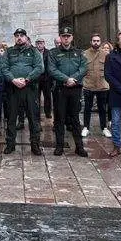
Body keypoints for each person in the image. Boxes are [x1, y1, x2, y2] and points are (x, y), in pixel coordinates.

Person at [47, 26, 89, 157]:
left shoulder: (79, 52)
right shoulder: (53, 53)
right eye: (63, 36)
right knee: (59, 119)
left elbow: (84, 68)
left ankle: (79, 147)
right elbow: (51, 69)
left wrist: (74, 79)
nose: (66, 38)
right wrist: (66, 79)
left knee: (75, 119)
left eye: (68, 36)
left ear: (72, 37)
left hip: (75, 89)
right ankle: (59, 146)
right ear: (60, 38)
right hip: (60, 89)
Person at [3, 28, 44, 155]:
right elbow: (4, 68)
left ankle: (35, 145)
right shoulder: (9, 51)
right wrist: (13, 80)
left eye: (21, 35)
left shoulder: (34, 51)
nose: (19, 37)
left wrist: (27, 79)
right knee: (11, 118)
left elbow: (39, 67)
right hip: (13, 89)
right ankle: (10, 145)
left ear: (26, 37)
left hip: (29, 88)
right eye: (17, 36)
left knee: (33, 118)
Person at [81, 33, 110, 139]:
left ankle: (104, 128)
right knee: (87, 108)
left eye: (98, 41)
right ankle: (86, 127)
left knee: (102, 108)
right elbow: (82, 69)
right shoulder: (84, 54)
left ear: (100, 42)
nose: (96, 42)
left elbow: (109, 70)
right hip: (89, 84)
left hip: (102, 85)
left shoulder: (106, 55)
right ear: (91, 42)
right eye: (94, 40)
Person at [34, 37, 53, 122]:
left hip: (46, 78)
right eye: (38, 43)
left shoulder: (48, 52)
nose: (39, 44)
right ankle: (36, 113)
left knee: (47, 96)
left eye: (41, 43)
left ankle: (48, 112)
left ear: (44, 44)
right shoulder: (34, 52)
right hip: (37, 78)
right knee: (36, 97)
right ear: (36, 44)